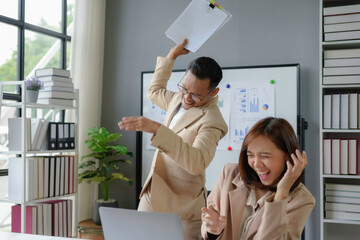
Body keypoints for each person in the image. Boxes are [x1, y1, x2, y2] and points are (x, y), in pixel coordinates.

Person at [118, 39, 228, 240]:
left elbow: (197, 162)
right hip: (153, 192)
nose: (186, 98)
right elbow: (154, 91)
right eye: (184, 88)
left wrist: (156, 128)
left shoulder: (213, 121)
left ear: (214, 93)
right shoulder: (178, 98)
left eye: (196, 95)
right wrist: (172, 55)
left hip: (183, 207)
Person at [201, 117, 315, 240]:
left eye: (265, 156)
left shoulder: (302, 200)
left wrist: (281, 195)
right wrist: (214, 231)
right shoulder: (229, 174)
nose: (256, 164)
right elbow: (208, 222)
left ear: (288, 156)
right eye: (250, 155)